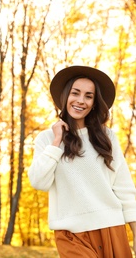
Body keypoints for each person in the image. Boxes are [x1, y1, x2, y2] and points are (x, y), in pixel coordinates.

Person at [28, 66, 136, 257]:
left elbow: (124, 187)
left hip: (111, 227)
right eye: (75, 93)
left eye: (88, 96)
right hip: (70, 234)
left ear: (94, 103)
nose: (80, 100)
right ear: (65, 97)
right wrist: (56, 142)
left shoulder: (107, 137)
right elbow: (39, 182)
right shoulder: (47, 139)